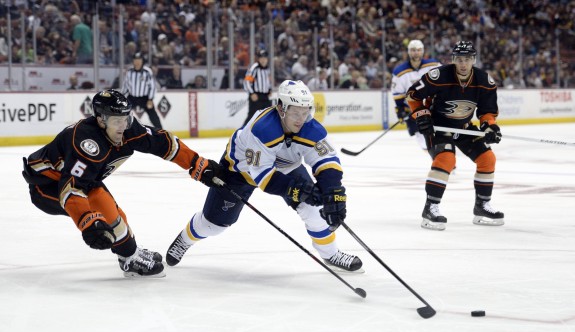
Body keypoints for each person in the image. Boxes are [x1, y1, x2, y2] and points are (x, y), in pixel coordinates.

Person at [166, 80, 363, 273]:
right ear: (281, 108)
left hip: (286, 168)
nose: (300, 119)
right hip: (240, 172)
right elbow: (264, 178)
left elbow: (327, 161)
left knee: (314, 209)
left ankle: (330, 254)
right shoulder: (262, 129)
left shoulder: (312, 128)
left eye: (305, 112)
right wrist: (298, 190)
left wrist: (333, 191)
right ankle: (185, 239)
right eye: (295, 112)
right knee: (213, 225)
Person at [22, 90, 222, 277]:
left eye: (125, 118)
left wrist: (198, 164)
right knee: (104, 208)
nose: (123, 126)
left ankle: (129, 250)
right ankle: (129, 258)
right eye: (117, 120)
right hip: (46, 186)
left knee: (116, 214)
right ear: (101, 120)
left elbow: (163, 143)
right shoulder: (87, 143)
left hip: (80, 181)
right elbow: (71, 188)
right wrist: (87, 222)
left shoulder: (127, 127)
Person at [406, 41, 504, 231]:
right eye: (459, 59)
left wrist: (490, 126)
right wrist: (422, 115)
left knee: (487, 158)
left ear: (473, 60)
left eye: (467, 59)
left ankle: (482, 206)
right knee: (446, 159)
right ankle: (431, 208)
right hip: (438, 127)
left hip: (464, 127)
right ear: (453, 60)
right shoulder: (439, 76)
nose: (463, 64)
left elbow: (487, 111)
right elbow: (412, 96)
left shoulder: (484, 81)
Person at [391, 40, 441, 151]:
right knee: (423, 140)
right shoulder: (399, 71)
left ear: (422, 51)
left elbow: (443, 83)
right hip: (414, 109)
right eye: (413, 50)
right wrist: (400, 109)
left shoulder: (433, 65)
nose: (416, 53)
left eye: (418, 50)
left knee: (440, 135)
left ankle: (442, 159)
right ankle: (438, 160)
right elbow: (397, 93)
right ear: (409, 52)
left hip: (433, 107)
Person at [122, 52, 163, 129]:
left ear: (142, 61)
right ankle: (122, 131)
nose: (137, 62)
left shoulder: (147, 72)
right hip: (132, 97)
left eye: (139, 60)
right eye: (135, 60)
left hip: (145, 98)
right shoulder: (129, 72)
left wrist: (150, 99)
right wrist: (122, 98)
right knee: (123, 114)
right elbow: (125, 86)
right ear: (133, 61)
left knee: (153, 117)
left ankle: (161, 132)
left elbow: (152, 87)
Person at [243, 49, 271, 127]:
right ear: (258, 59)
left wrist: (269, 89)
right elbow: (247, 82)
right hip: (256, 96)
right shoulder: (254, 68)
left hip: (265, 97)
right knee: (251, 116)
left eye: (264, 58)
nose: (263, 60)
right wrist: (252, 93)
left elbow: (267, 81)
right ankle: (241, 133)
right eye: (261, 58)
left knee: (268, 115)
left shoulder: (267, 69)